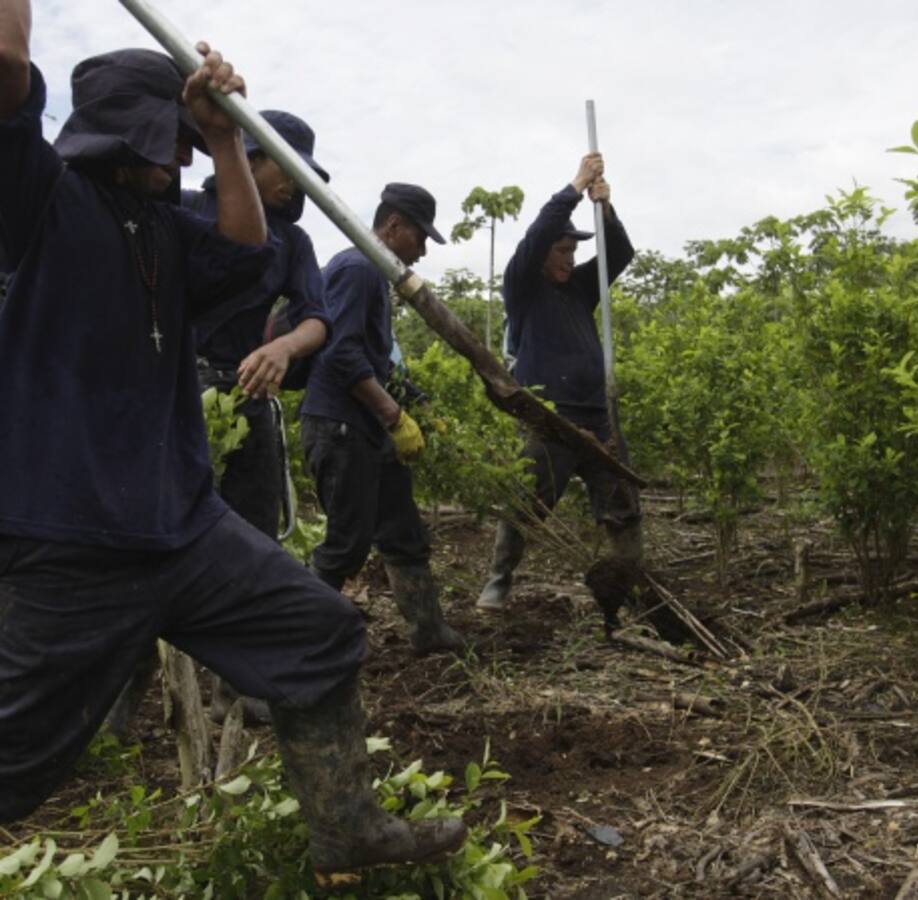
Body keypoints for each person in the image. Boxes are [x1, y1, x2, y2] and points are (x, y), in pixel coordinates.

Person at [0, 2, 465, 882]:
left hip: (184, 524)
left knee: (319, 631)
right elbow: (6, 70)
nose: (178, 155)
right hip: (74, 544)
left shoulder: (168, 228)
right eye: (170, 139)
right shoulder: (40, 202)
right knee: (15, 766)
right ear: (121, 139)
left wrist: (223, 141)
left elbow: (250, 249)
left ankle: (347, 828)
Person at [183, 109, 332, 726]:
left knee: (252, 538)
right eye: (285, 167)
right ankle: (118, 695)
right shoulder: (188, 211)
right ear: (247, 153)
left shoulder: (293, 242)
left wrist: (283, 347)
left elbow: (316, 318)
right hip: (174, 391)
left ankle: (235, 687)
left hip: (246, 394)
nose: (293, 185)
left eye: (302, 175)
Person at [300, 183, 465, 655]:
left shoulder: (370, 273)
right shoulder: (357, 269)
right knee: (345, 547)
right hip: (341, 428)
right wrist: (394, 415)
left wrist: (418, 402)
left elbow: (375, 360)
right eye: (421, 238)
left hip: (366, 429)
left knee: (403, 534)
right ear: (393, 226)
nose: (423, 251)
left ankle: (429, 633)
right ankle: (298, 643)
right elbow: (341, 353)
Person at [476, 152, 642, 613]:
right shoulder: (523, 287)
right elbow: (535, 235)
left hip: (598, 414)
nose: (571, 259)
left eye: (574, 251)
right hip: (552, 417)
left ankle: (632, 587)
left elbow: (620, 254)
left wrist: (605, 208)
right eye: (562, 251)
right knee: (527, 501)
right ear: (543, 254)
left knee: (621, 502)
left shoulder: (579, 289)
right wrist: (575, 186)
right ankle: (498, 580)